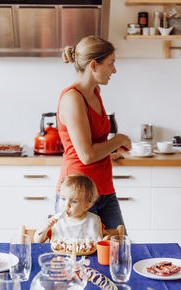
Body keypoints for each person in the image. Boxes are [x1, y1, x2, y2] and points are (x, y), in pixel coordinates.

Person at [56, 35, 131, 231]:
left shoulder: (95, 92)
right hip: (78, 192)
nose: (114, 70)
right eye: (111, 63)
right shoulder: (73, 98)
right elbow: (86, 155)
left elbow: (94, 143)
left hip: (104, 187)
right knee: (79, 255)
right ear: (93, 65)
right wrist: (119, 139)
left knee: (120, 249)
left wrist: (109, 151)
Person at [34, 174, 110, 243]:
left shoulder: (93, 220)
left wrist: (107, 238)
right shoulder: (55, 222)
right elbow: (37, 240)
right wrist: (46, 227)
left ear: (86, 206)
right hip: (60, 257)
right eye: (63, 199)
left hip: (88, 257)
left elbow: (104, 235)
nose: (67, 205)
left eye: (74, 201)